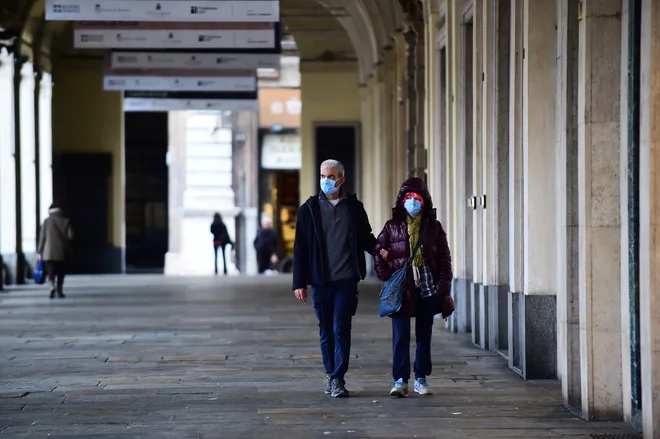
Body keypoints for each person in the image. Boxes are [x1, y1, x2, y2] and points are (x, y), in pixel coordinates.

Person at [293, 159, 378, 398]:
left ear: (341, 179)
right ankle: (331, 373)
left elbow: (366, 237)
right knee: (326, 330)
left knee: (342, 328)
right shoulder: (308, 209)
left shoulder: (354, 208)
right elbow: (300, 248)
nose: (326, 181)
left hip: (346, 279)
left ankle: (338, 377)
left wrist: (381, 249)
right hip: (321, 281)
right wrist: (299, 282)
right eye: (323, 176)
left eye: (331, 177)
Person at [374, 177, 454, 398]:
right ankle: (400, 380)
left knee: (423, 336)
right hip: (402, 290)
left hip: (428, 288)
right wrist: (388, 276)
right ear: (401, 201)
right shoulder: (392, 227)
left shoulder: (434, 228)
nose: (412, 202)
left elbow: (445, 259)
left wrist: (442, 288)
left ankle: (421, 378)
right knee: (400, 336)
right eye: (408, 198)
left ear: (424, 201)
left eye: (416, 198)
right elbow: (377, 253)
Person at [37, 201, 73, 299]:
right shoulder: (66, 220)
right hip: (62, 251)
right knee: (61, 271)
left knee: (51, 270)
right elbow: (71, 236)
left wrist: (39, 250)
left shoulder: (46, 221)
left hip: (48, 252)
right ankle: (59, 290)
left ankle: (51, 286)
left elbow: (42, 237)